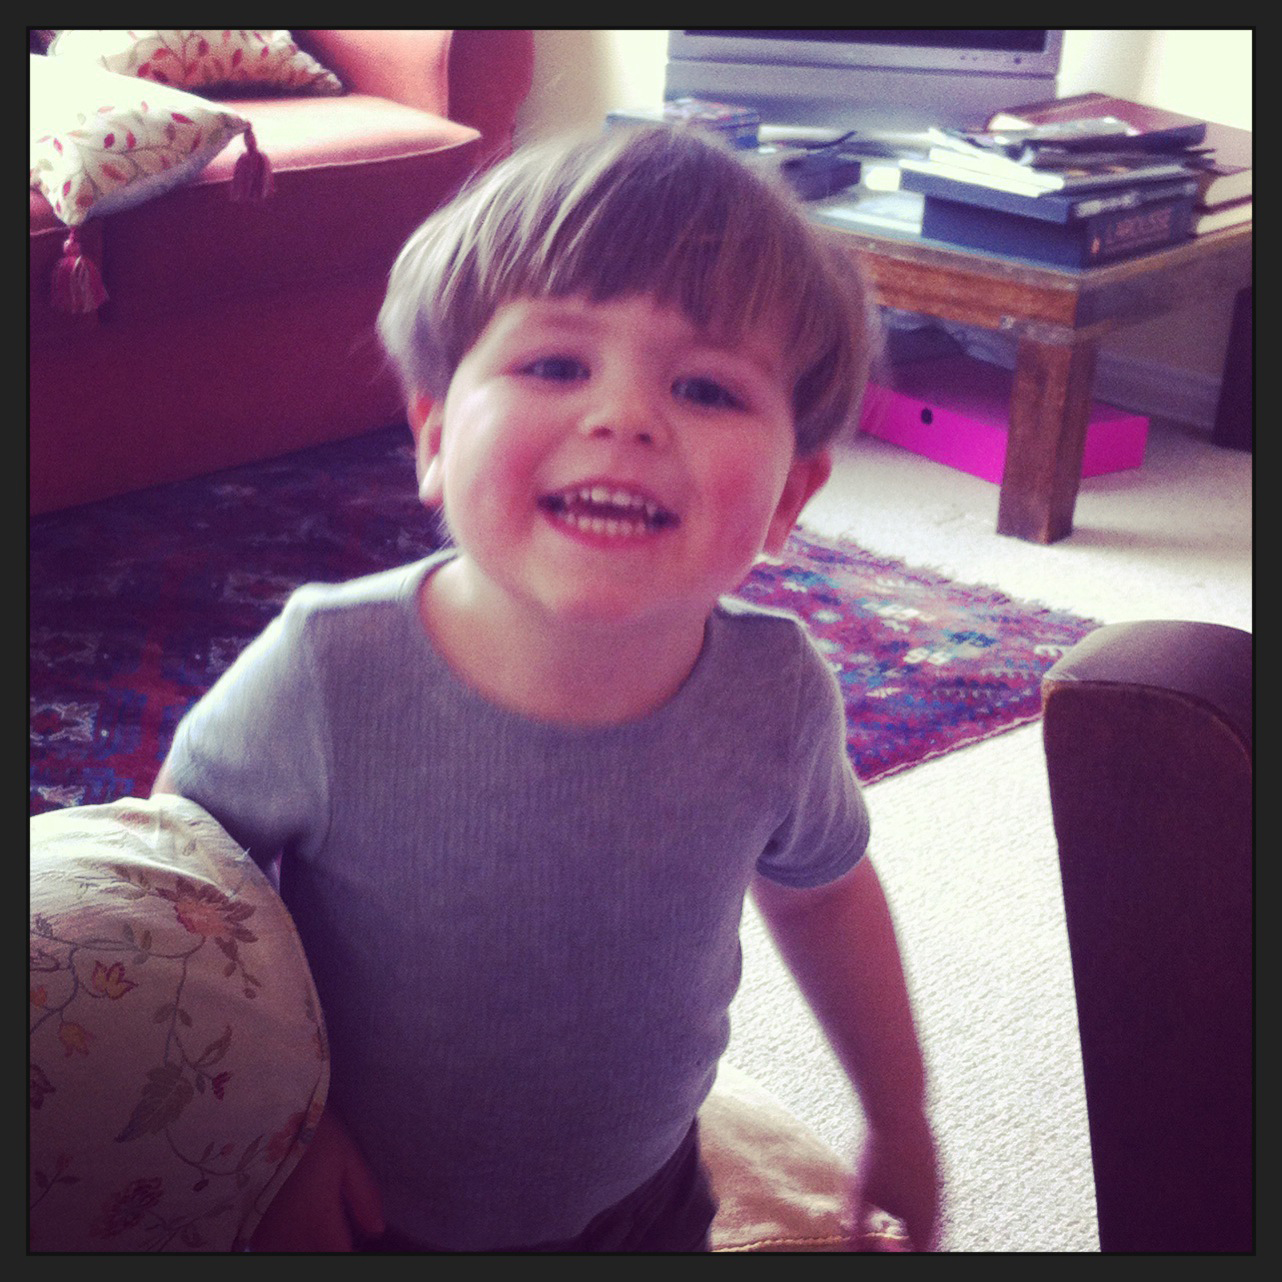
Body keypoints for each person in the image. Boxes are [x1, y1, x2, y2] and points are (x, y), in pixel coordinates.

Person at [153, 124, 939, 1253]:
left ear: (787, 500)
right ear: (434, 434)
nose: (624, 416)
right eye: (556, 365)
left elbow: (824, 896)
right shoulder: (328, 668)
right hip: (358, 1208)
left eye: (706, 387)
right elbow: (186, 893)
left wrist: (899, 1114)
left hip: (643, 1199)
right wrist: (280, 1126)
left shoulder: (777, 695)